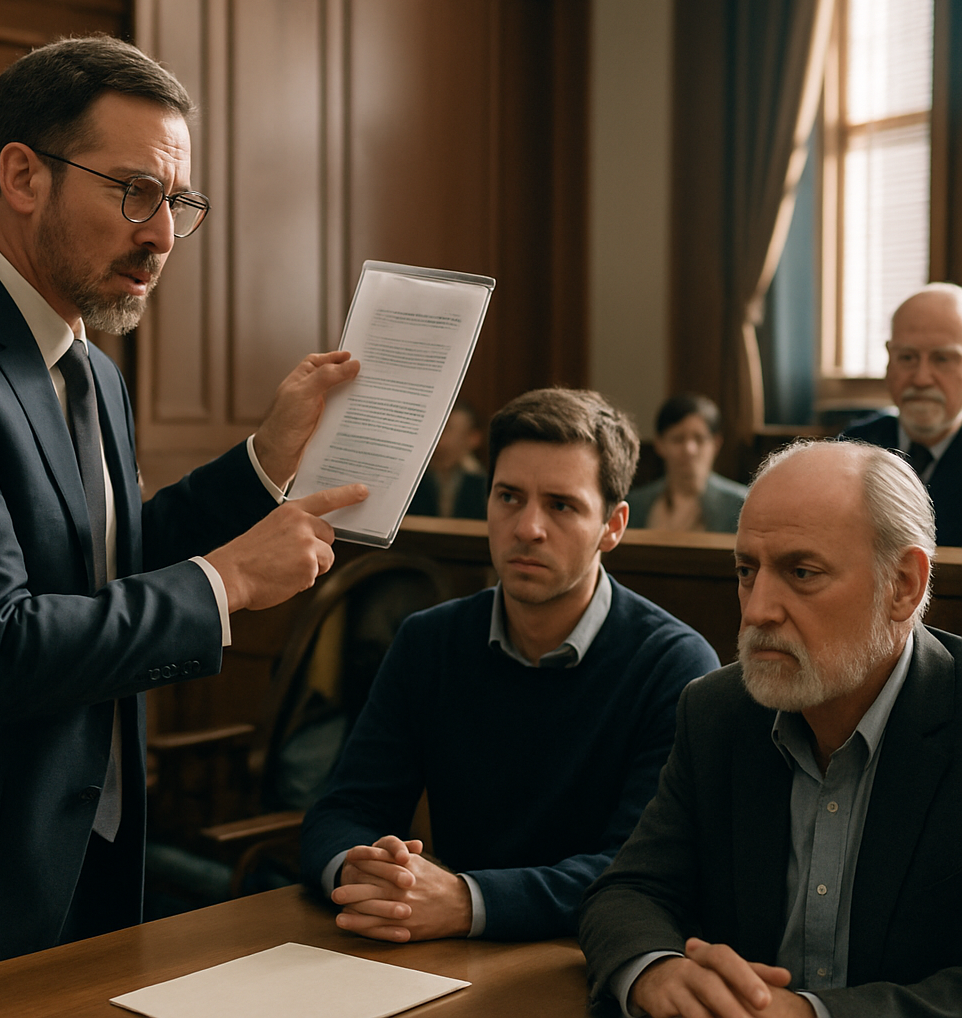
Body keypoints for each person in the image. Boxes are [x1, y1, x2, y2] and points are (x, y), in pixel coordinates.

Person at [0, 36, 368, 974]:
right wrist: (225, 586)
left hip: (97, 853)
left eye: (178, 202)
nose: (162, 235)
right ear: (23, 175)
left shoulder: (93, 367)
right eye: (134, 191)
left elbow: (109, 566)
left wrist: (264, 459)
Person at [300, 388, 720, 943]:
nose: (527, 528)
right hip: (436, 950)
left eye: (561, 506)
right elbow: (342, 810)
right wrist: (363, 870)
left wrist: (466, 901)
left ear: (613, 525)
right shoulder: (429, 641)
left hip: (588, 960)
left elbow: (637, 871)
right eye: (509, 497)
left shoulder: (673, 665)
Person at [579, 439, 961, 1018]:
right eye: (746, 571)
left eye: (801, 572)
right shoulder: (716, 712)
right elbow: (628, 893)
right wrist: (657, 970)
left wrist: (810, 1014)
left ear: (904, 585)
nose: (757, 610)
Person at [843, 282, 962, 545]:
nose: (921, 379)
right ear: (888, 362)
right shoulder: (851, 450)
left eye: (942, 359)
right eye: (907, 357)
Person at [626, 393, 747, 533]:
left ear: (716, 444)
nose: (689, 449)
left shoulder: (741, 505)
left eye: (699, 439)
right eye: (678, 439)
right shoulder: (634, 505)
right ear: (659, 444)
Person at [407, 401, 487, 519]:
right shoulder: (414, 479)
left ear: (473, 438)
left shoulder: (483, 484)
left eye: (449, 429)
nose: (440, 440)